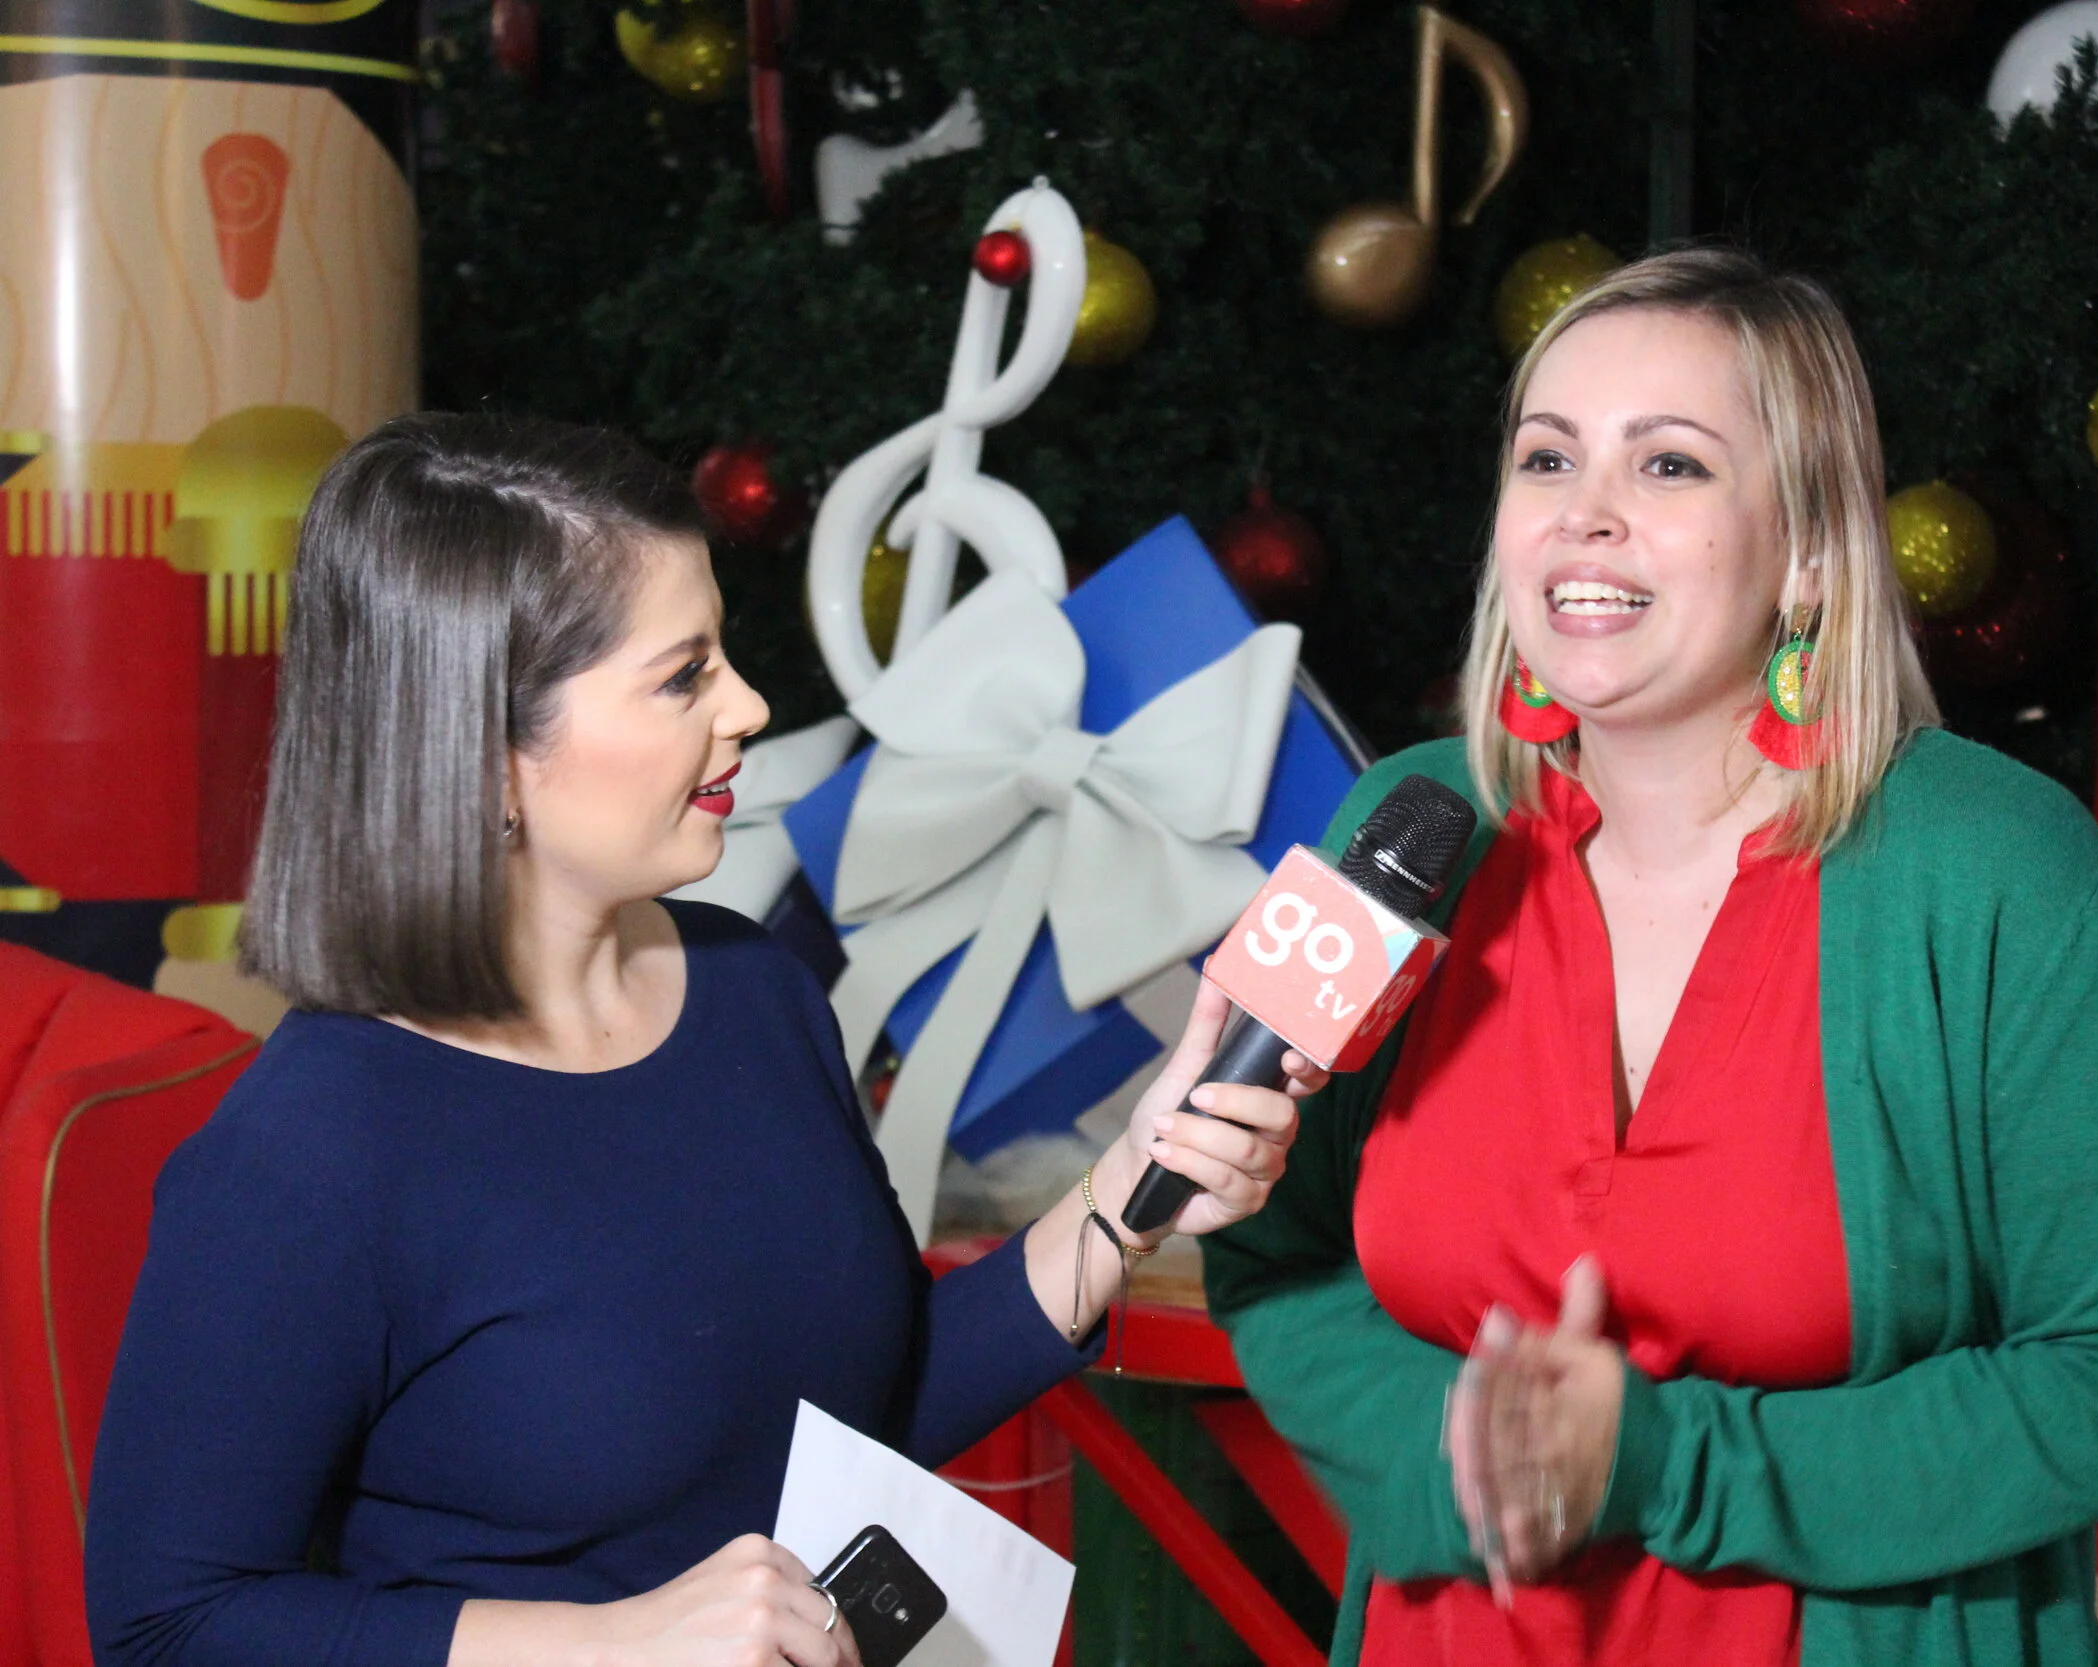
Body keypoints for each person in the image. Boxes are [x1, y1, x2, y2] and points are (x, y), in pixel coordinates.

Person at [83, 415, 1318, 1667]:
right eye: (682, 677)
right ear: (487, 757)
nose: (750, 705)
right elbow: (164, 1624)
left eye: (720, 653)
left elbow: (858, 1414)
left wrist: (1128, 1192)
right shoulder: (311, 1149)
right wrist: (609, 1643)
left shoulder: (752, 987)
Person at [1201, 247, 2098, 1667]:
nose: (1585, 514)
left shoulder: (1994, 864)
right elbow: (1267, 1246)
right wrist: (1459, 1452)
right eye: (1548, 457)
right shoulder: (1410, 823)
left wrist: (1659, 1461)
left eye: (1670, 465)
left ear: (1808, 546)